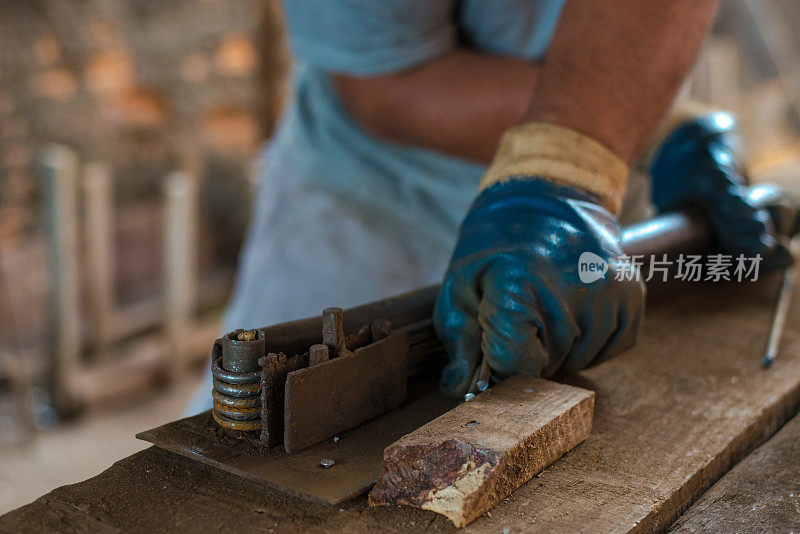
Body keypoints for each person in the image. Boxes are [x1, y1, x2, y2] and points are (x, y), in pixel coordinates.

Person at [187, 0, 786, 412]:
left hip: (581, 215)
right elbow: (387, 85)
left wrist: (621, 136)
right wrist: (611, 139)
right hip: (371, 220)